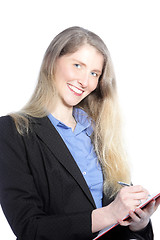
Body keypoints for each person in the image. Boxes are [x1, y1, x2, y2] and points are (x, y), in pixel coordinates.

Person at [0, 26, 159, 240]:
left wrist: (138, 223)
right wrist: (109, 214)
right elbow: (29, 229)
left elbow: (123, 226)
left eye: (94, 73)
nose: (85, 82)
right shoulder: (12, 131)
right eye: (77, 65)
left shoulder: (100, 132)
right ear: (52, 61)